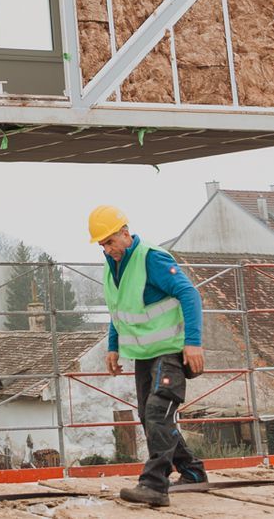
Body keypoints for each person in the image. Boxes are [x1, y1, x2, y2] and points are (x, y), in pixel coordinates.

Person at [91, 204, 205, 509]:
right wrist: (113, 346)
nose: (107, 249)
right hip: (143, 354)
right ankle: (193, 472)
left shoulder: (151, 258)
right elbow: (117, 310)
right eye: (102, 244)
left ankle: (155, 485)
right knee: (150, 415)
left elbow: (190, 295)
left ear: (125, 234)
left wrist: (193, 343)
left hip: (170, 349)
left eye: (110, 242)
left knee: (157, 411)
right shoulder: (111, 265)